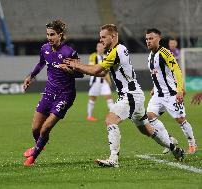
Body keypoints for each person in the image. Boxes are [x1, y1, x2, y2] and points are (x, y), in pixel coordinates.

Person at [62, 24, 185, 168]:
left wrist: (76, 65)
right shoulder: (114, 51)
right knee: (147, 130)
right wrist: (74, 70)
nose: (101, 40)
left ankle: (113, 158)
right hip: (132, 95)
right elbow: (102, 73)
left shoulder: (117, 50)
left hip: (130, 95)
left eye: (103, 37)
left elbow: (97, 69)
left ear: (113, 36)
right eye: (100, 37)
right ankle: (174, 148)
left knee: (110, 120)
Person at [22, 20, 84, 166]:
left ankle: (32, 158)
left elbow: (80, 74)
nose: (49, 38)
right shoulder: (45, 48)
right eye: (48, 35)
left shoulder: (70, 52)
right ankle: (39, 145)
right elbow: (41, 63)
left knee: (45, 128)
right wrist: (30, 77)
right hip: (49, 92)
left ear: (60, 35)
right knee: (35, 128)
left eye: (52, 34)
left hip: (65, 95)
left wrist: (69, 70)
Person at [145, 28, 197, 155]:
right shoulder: (150, 55)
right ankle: (169, 140)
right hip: (158, 94)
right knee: (149, 117)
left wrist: (179, 89)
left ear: (159, 38)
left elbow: (176, 70)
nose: (148, 41)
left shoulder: (165, 53)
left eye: (151, 38)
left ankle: (192, 144)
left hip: (171, 94)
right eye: (147, 39)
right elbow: (157, 74)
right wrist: (155, 87)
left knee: (181, 120)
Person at [86, 42, 114, 121]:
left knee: (109, 97)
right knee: (92, 98)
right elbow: (91, 68)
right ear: (96, 48)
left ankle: (113, 115)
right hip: (96, 81)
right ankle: (89, 116)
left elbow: (108, 70)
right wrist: (101, 74)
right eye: (99, 46)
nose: (100, 48)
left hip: (104, 81)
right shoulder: (93, 56)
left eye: (102, 46)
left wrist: (108, 80)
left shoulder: (106, 57)